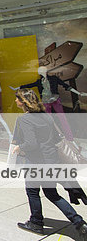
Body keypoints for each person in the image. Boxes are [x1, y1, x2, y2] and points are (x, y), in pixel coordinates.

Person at [12, 88, 87, 239]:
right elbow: (54, 138)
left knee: (33, 192)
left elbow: (31, 143)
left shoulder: (24, 119)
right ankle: (79, 223)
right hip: (51, 160)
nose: (15, 101)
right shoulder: (46, 116)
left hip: (36, 162)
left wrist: (19, 147)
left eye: (17, 98)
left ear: (23, 102)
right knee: (52, 194)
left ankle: (36, 222)